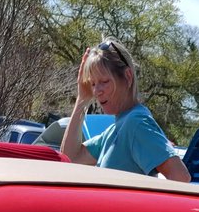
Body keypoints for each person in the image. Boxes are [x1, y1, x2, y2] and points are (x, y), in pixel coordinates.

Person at [53, 40, 190, 181]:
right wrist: (83, 98)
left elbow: (180, 177)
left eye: (104, 81)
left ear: (128, 76)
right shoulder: (115, 130)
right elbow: (70, 157)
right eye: (92, 83)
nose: (96, 91)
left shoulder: (136, 123)